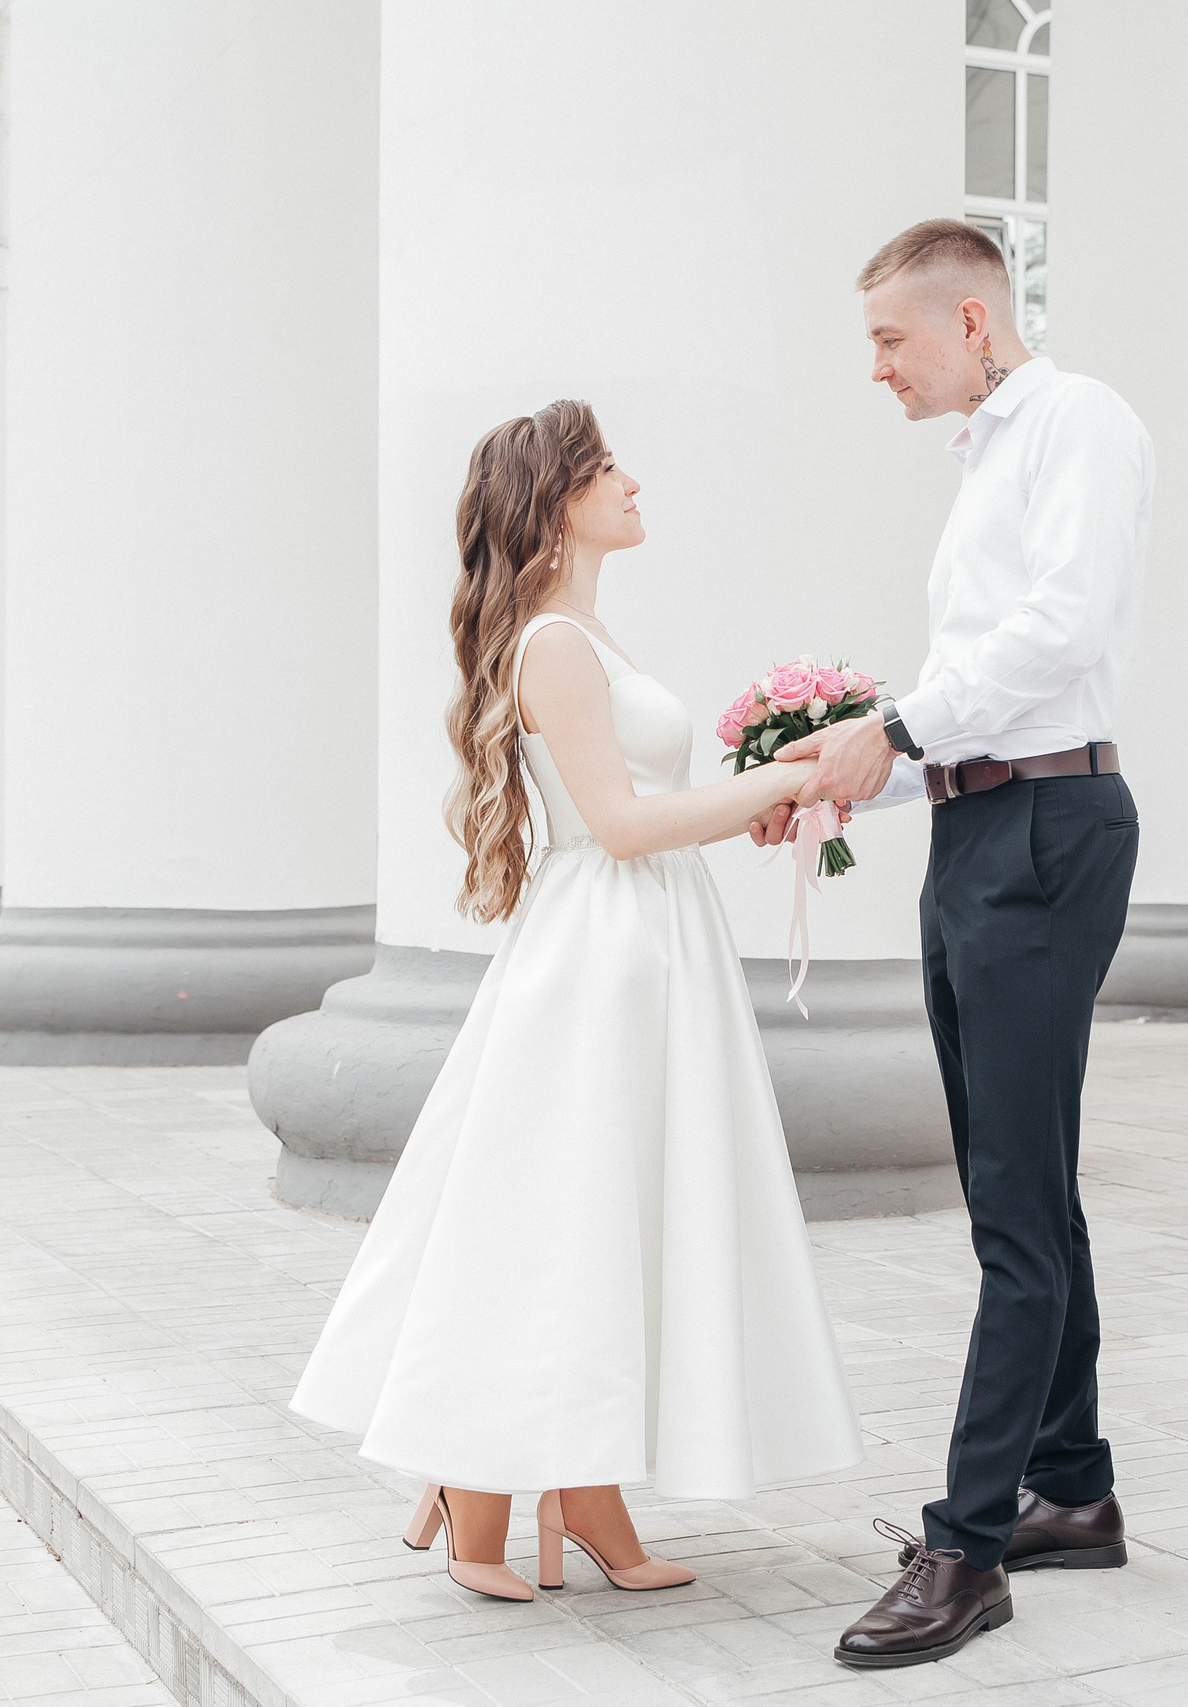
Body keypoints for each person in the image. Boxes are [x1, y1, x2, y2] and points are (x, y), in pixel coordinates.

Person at [291, 401, 865, 1601]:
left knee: (611, 1211)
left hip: (648, 936)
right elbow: (617, 825)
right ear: (556, 502)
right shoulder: (554, 641)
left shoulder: (586, 633)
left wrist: (760, 796)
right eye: (608, 470)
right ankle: (478, 1478)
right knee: (556, 1212)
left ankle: (579, 1489)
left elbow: (646, 811)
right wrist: (781, 777)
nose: (633, 484)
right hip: (603, 951)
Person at [760, 219, 1154, 1668]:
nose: (877, 368)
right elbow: (974, 713)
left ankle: (969, 1545)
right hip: (982, 825)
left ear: (972, 321)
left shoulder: (1076, 420)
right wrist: (848, 777)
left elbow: (1061, 631)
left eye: (889, 339)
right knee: (1023, 1175)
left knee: (1009, 1203)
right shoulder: (986, 457)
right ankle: (1073, 1487)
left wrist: (896, 728)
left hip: (1048, 830)